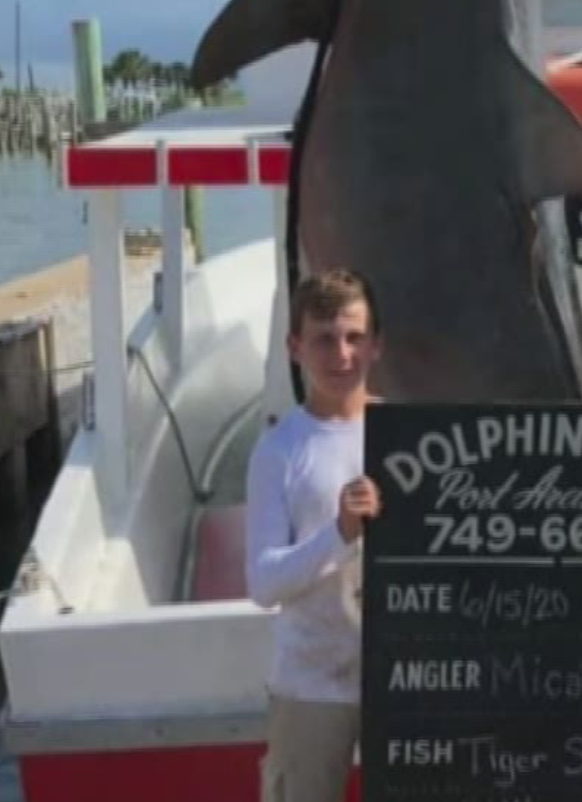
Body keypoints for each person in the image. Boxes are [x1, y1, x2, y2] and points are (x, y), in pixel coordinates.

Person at [245, 268, 385, 802]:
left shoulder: (413, 436)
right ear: (295, 347)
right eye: (324, 339)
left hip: (404, 677)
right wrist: (340, 533)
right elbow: (262, 583)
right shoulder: (278, 450)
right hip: (310, 682)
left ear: (377, 345)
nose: (341, 354)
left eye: (354, 337)